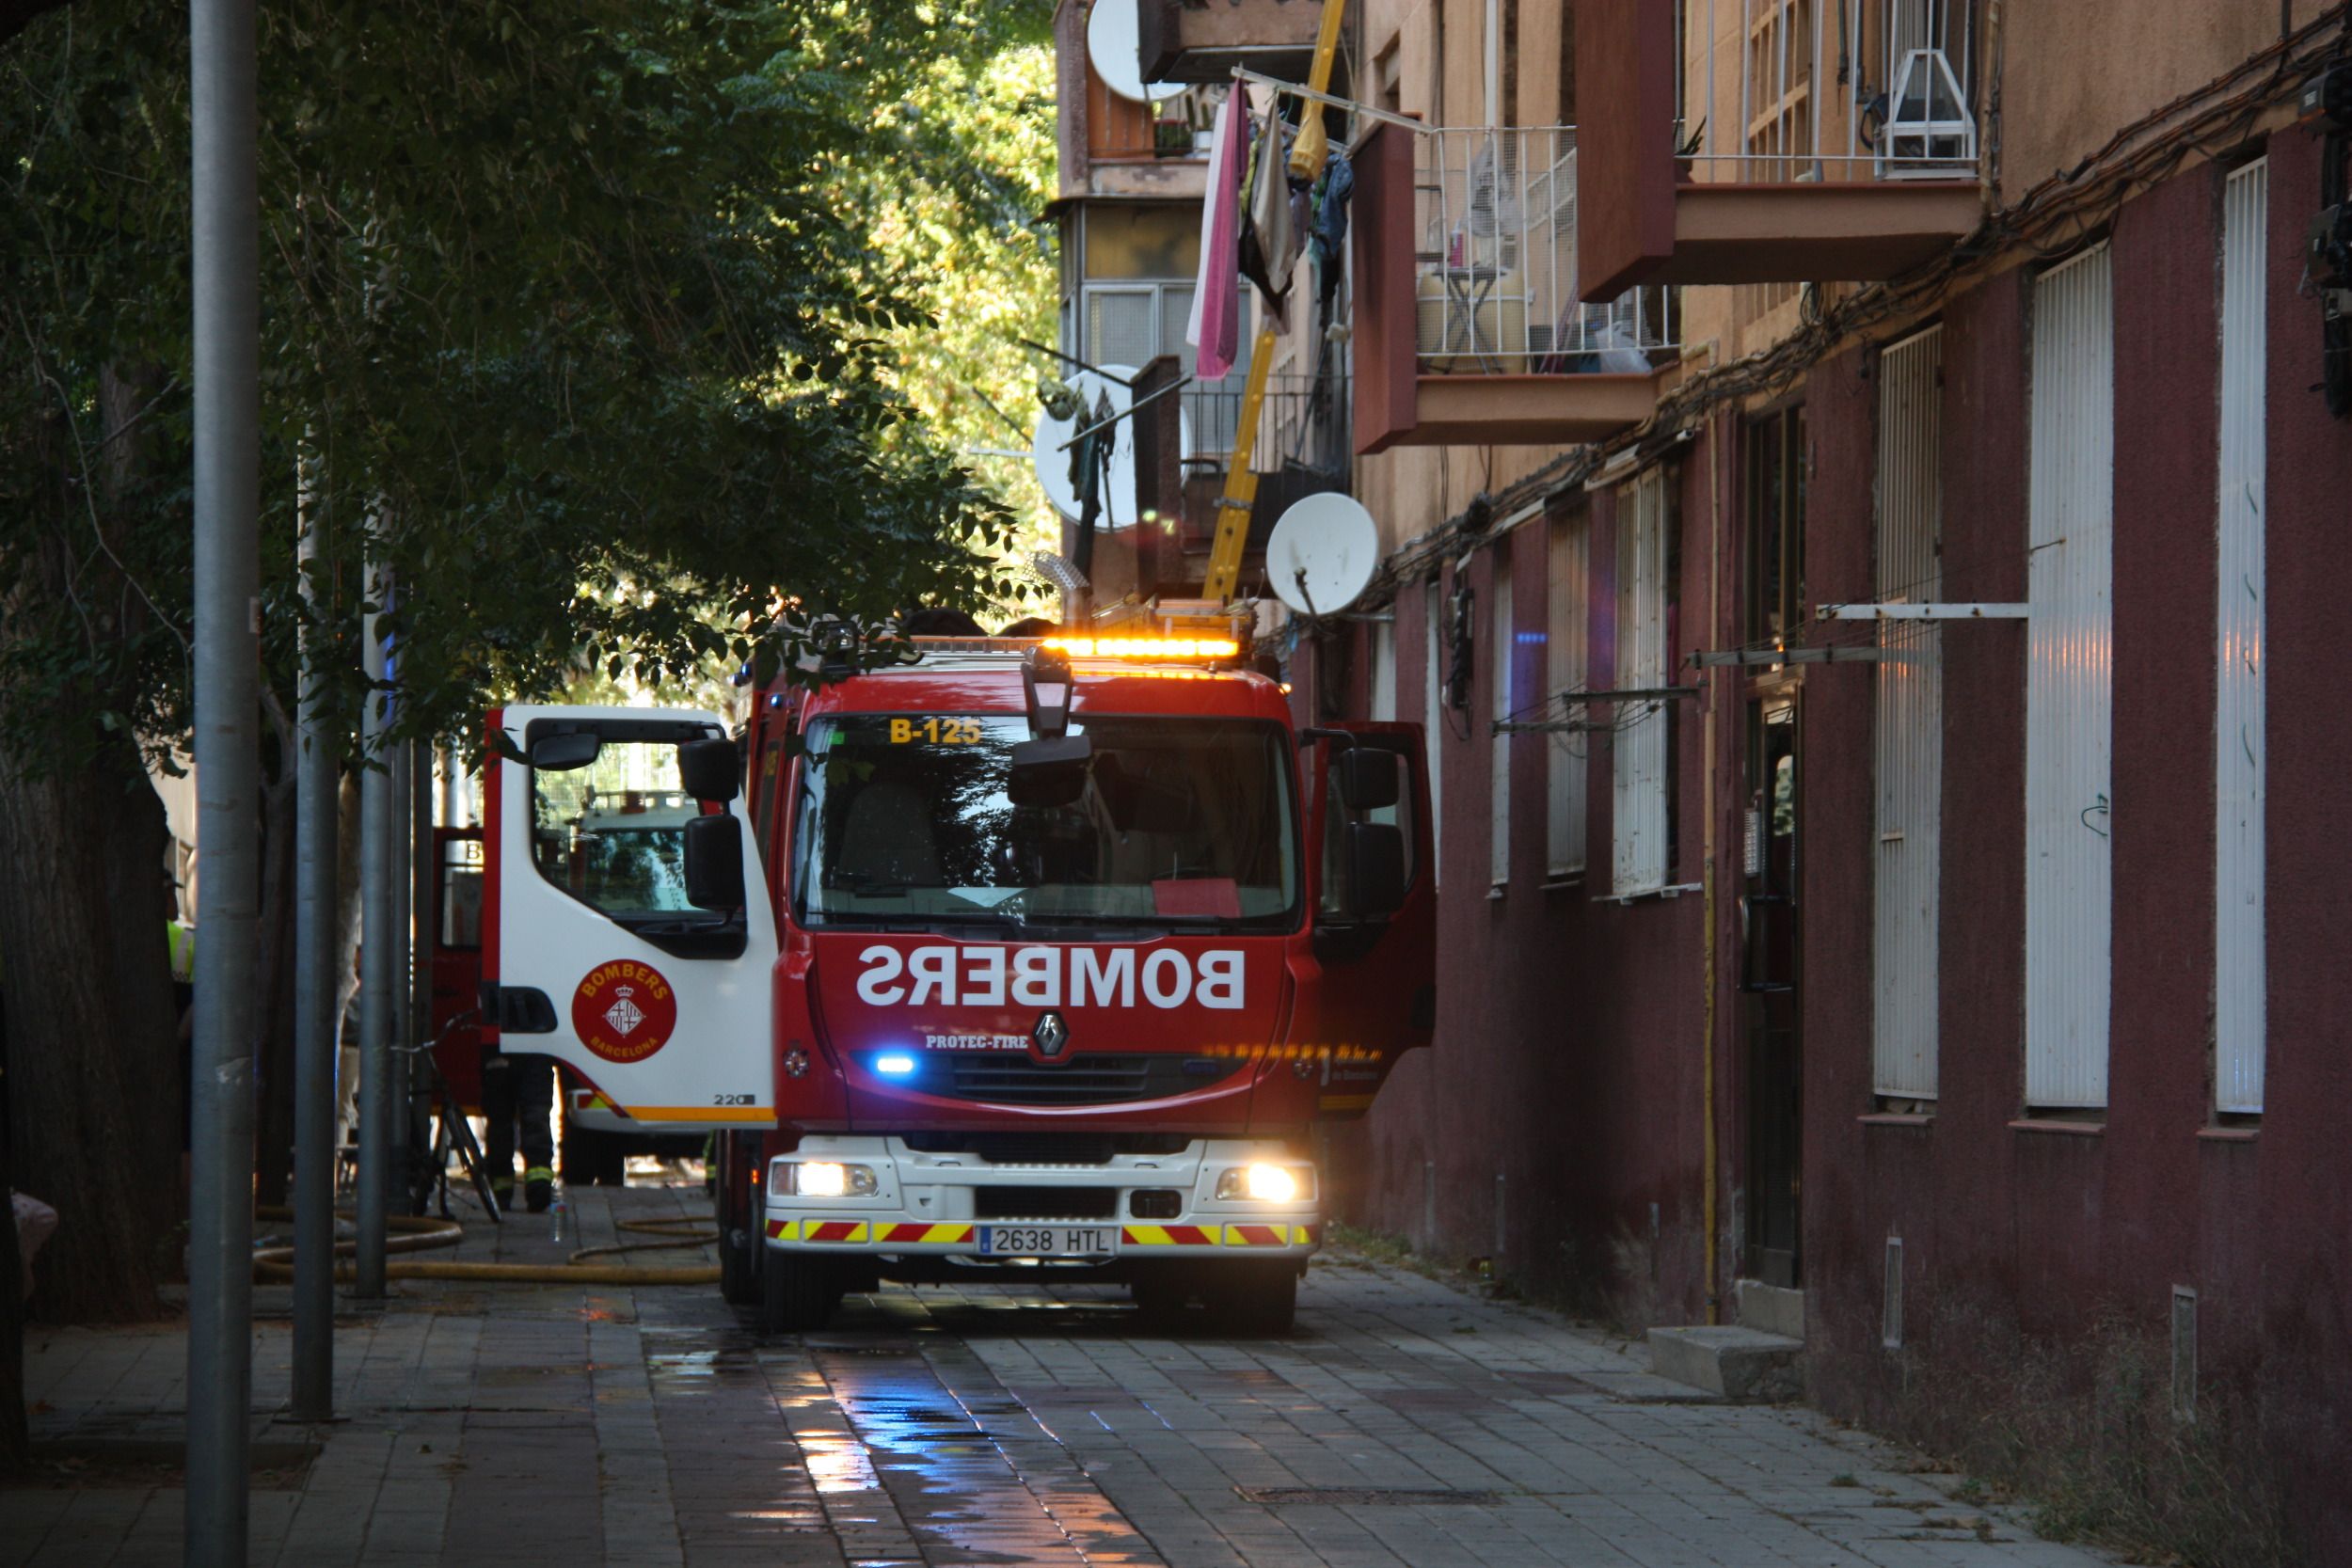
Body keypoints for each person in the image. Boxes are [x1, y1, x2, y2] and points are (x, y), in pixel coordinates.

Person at [479, 1048, 555, 1212]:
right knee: (533, 1119)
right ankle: (537, 1187)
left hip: (500, 1052)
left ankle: (504, 1190)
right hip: (535, 1049)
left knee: (503, 1123)